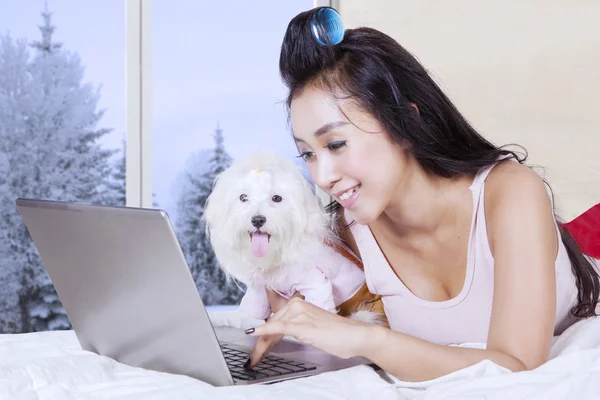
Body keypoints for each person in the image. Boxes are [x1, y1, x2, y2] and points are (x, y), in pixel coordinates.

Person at [243, 7, 600, 381]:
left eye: (335, 144)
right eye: (309, 154)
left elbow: (518, 365)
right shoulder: (344, 233)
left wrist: (367, 339)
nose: (324, 176)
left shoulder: (509, 193)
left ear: (406, 123)